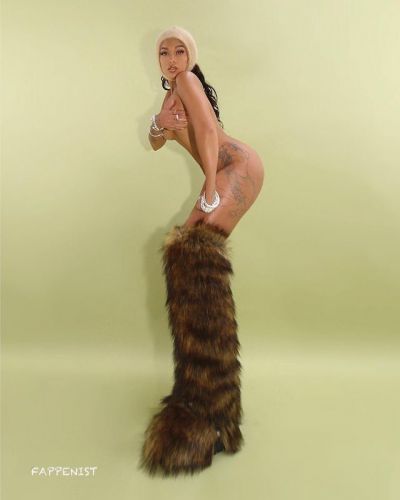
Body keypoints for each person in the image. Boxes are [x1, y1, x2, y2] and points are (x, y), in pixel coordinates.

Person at [139, 25, 265, 477]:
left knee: (192, 257)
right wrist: (160, 125)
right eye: (164, 52)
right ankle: (214, 398)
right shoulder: (174, 92)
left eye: (180, 51)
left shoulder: (188, 81)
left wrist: (210, 186)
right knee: (188, 263)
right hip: (229, 169)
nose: (172, 59)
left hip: (235, 168)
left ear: (191, 57)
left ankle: (210, 397)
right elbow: (156, 141)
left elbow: (209, 132)